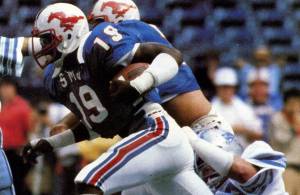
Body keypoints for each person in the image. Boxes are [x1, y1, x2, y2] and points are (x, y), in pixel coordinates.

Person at [21, 3, 212, 195]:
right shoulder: (57, 77)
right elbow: (97, 125)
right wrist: (51, 143)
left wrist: (139, 84)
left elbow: (172, 55)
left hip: (157, 132)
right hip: (153, 148)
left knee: (89, 180)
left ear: (69, 33)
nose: (41, 47)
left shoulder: (97, 44)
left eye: (46, 39)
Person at [182, 127, 288, 195]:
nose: (207, 174)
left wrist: (195, 142)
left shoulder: (257, 156)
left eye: (209, 165)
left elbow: (242, 171)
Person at [212, 67, 263, 147]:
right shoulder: (210, 109)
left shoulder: (244, 108)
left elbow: (258, 135)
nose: (226, 91)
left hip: (242, 154)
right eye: (223, 87)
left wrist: (245, 131)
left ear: (234, 88)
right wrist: (232, 129)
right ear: (217, 88)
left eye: (229, 87)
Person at [0, 76, 32, 195]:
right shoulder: (2, 107)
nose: (5, 90)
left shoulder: (23, 107)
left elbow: (30, 131)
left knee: (16, 185)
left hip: (16, 153)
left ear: (14, 88)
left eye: (8, 87)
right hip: (2, 153)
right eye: (3, 87)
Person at [269, 89, 300, 195]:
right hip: (286, 169)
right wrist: (293, 125)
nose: (296, 107)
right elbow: (282, 140)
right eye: (293, 103)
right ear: (286, 104)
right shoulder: (277, 119)